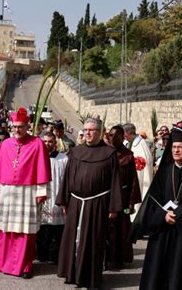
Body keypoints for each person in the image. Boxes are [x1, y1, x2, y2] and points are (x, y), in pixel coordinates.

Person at [130, 125, 182, 289]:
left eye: (180, 147)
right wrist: (163, 215)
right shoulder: (164, 172)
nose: (176, 151)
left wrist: (177, 214)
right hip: (162, 230)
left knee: (178, 275)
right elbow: (153, 199)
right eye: (174, 147)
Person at [56, 117, 122, 288]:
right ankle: (72, 274)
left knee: (92, 240)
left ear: (99, 132)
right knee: (72, 239)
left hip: (97, 202)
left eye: (91, 130)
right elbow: (67, 177)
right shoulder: (76, 152)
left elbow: (115, 181)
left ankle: (90, 277)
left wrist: (114, 206)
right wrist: (64, 200)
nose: (87, 133)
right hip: (76, 202)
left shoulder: (109, 153)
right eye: (85, 130)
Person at [0, 107, 51, 278]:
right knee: (7, 230)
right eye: (14, 126)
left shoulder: (37, 144)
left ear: (27, 126)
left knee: (25, 232)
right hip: (8, 192)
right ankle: (4, 263)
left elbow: (42, 169)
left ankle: (25, 265)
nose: (17, 130)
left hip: (28, 193)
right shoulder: (6, 144)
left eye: (20, 126)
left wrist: (41, 192)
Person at [105, 125, 141, 269]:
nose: (114, 138)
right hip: (107, 197)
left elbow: (133, 180)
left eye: (118, 135)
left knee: (122, 228)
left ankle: (119, 258)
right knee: (107, 229)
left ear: (122, 137)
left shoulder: (128, 155)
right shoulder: (104, 153)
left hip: (124, 199)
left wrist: (132, 203)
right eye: (112, 135)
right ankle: (106, 258)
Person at [36, 132, 68, 264]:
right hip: (42, 198)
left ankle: (55, 256)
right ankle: (42, 254)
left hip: (57, 197)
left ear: (55, 143)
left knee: (58, 229)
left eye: (50, 141)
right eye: (44, 141)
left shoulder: (64, 159)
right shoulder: (36, 157)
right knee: (42, 228)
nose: (47, 144)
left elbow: (67, 180)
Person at [123, 122, 153, 202]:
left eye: (124, 133)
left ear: (128, 133)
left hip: (138, 180)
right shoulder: (129, 142)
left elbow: (140, 169)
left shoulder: (140, 147)